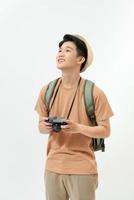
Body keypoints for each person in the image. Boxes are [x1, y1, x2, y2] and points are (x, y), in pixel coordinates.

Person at [34, 34, 114, 200]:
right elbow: (40, 126)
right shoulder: (47, 90)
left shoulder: (94, 92)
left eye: (67, 50)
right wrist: (45, 126)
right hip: (52, 167)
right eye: (59, 50)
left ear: (81, 59)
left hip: (82, 169)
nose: (60, 54)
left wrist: (78, 128)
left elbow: (105, 131)